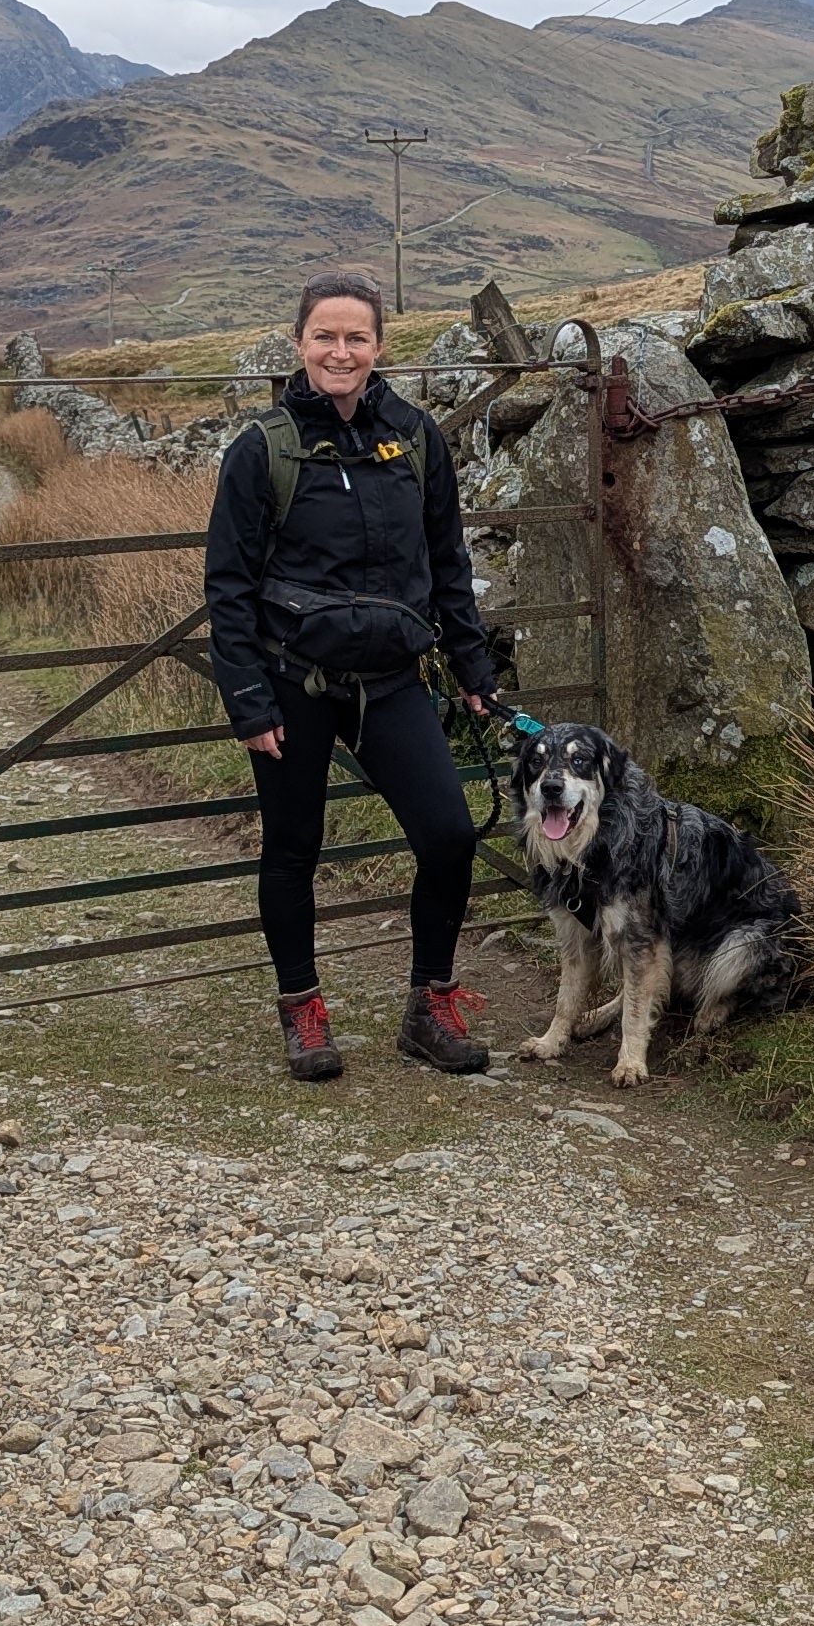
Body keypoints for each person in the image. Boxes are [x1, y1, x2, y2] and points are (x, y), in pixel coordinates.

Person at [203, 269, 501, 1081]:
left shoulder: (415, 438)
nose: (341, 351)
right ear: (299, 343)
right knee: (293, 848)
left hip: (393, 679)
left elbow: (448, 558)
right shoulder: (262, 450)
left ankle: (428, 1008)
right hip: (292, 683)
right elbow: (227, 587)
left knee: (448, 834)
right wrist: (247, 697)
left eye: (357, 337)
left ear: (380, 345)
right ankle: (302, 1011)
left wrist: (472, 663)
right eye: (325, 336)